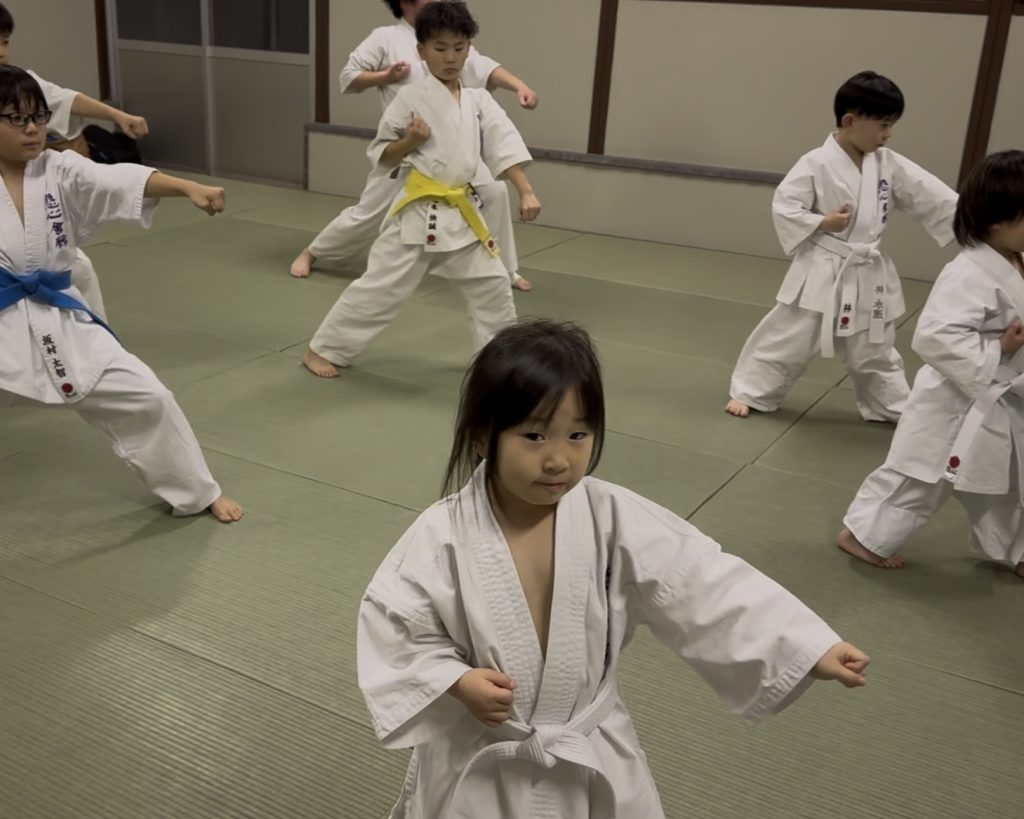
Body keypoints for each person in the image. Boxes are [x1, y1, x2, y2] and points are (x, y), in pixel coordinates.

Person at [358, 318, 871, 818]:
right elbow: (399, 629)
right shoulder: (441, 536)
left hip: (587, 742)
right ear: (480, 436)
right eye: (534, 436)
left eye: (578, 435)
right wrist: (455, 680)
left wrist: (805, 646)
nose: (559, 459)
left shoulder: (611, 516)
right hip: (483, 750)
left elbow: (698, 580)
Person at [0, 65, 241, 523]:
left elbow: (119, 180)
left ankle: (196, 490)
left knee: (148, 396)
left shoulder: (58, 168)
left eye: (38, 117)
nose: (32, 129)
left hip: (57, 314)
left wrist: (186, 186)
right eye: (16, 119)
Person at [302, 2, 539, 378]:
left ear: (469, 49)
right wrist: (410, 141)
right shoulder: (409, 99)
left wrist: (525, 190)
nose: (451, 57)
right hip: (417, 218)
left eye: (459, 47)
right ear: (421, 51)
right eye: (440, 48)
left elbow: (503, 143)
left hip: (461, 215)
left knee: (493, 285)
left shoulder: (478, 100)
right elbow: (382, 155)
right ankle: (323, 349)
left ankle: (499, 360)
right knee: (381, 288)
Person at [725, 71, 957, 423]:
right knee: (791, 335)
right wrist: (822, 222)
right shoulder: (815, 162)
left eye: (891, 125)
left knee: (874, 345)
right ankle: (751, 390)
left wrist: (980, 222)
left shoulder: (888, 164)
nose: (888, 134)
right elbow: (785, 206)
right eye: (883, 125)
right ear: (850, 121)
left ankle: (892, 405)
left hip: (865, 269)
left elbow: (931, 195)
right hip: (822, 267)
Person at [837, 150, 1024, 578]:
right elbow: (934, 336)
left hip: (1003, 399)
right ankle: (862, 536)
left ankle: (1016, 549)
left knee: (1007, 479)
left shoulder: (1016, 258)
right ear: (997, 220)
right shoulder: (969, 272)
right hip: (957, 401)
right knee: (922, 477)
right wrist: (998, 348)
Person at [0, 1, 150, 322]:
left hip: (23, 208)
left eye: (5, 41)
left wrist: (117, 115)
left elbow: (62, 98)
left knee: (78, 270)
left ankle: (95, 339)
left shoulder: (17, 85)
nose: (1, 51)